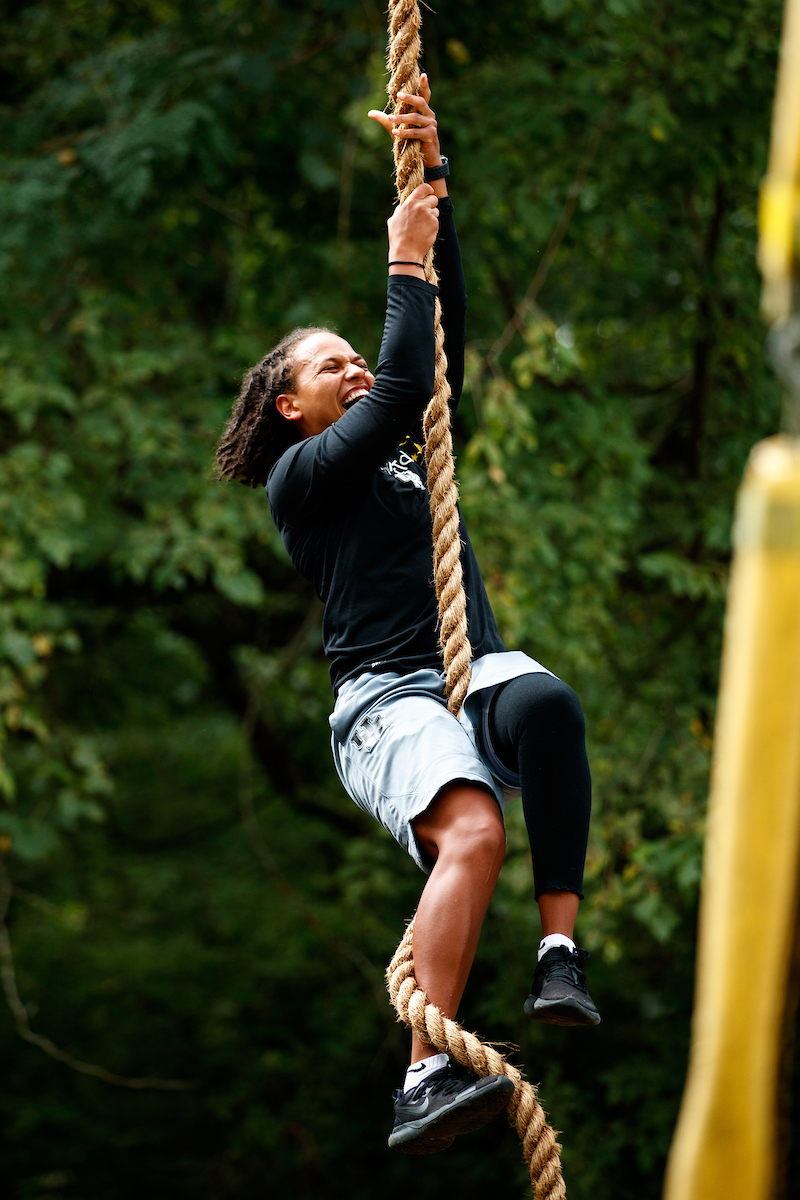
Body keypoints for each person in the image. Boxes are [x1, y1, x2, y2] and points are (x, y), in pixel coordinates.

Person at [216, 76, 599, 1157]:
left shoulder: (397, 454)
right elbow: (397, 382)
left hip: (465, 673)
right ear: (291, 405)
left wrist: (434, 183)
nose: (353, 365)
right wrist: (400, 256)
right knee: (472, 830)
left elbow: (437, 362)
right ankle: (422, 1073)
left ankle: (557, 954)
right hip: (389, 702)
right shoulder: (305, 478)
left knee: (553, 706)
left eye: (355, 347)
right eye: (327, 361)